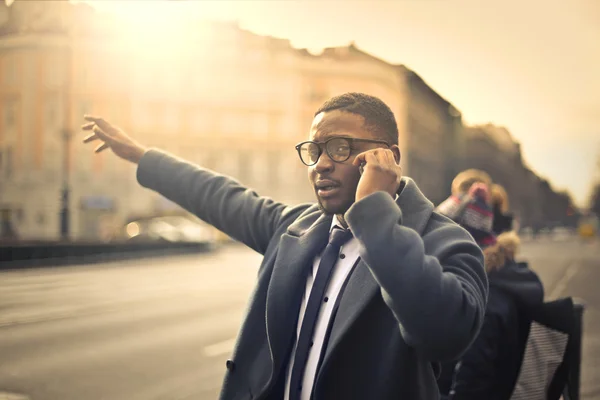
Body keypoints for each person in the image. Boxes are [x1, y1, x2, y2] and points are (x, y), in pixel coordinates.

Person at [83, 92, 488, 400]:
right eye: (314, 151)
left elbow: (444, 335)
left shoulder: (446, 241)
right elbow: (220, 195)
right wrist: (141, 156)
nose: (321, 164)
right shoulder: (295, 227)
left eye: (340, 148)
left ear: (387, 158)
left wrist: (375, 216)